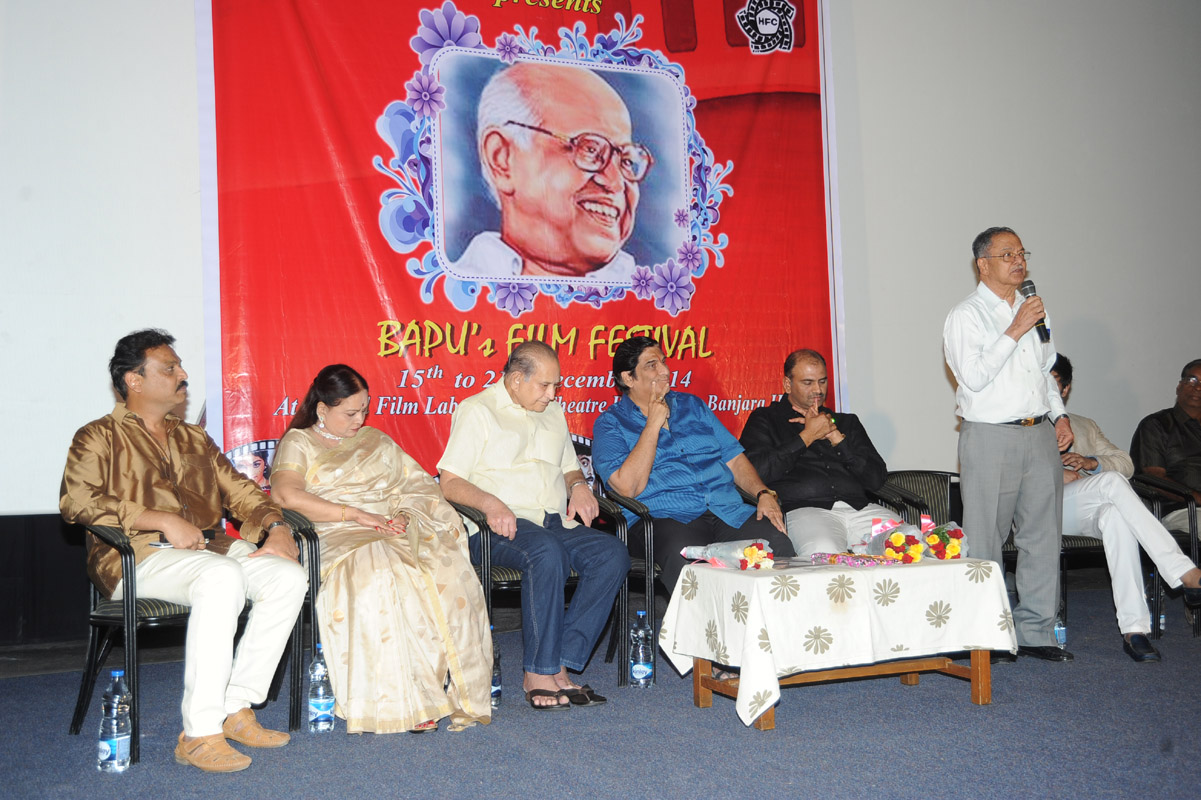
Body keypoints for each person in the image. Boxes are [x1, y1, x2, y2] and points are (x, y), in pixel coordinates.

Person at [59, 329, 308, 773]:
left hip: (207, 551)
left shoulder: (194, 440)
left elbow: (243, 493)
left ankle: (234, 708)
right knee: (221, 577)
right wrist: (159, 518)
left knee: (287, 575)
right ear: (133, 380)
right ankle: (199, 734)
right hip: (135, 560)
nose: (183, 375)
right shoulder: (97, 436)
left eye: (180, 366)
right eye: (169, 368)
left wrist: (276, 527)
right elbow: (77, 501)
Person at [270, 364, 492, 733]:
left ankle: (445, 691)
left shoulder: (377, 441)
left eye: (365, 410)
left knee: (440, 566)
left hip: (386, 527)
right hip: (334, 532)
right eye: (350, 413)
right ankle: (404, 701)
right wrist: (355, 514)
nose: (360, 420)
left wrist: (406, 514)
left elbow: (418, 487)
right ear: (322, 409)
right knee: (385, 572)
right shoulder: (300, 442)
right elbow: (285, 494)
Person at [437, 342, 629, 710]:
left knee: (612, 553)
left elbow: (569, 466)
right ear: (514, 379)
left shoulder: (552, 412)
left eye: (556, 385)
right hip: (496, 527)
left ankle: (561, 661)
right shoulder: (477, 411)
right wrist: (491, 504)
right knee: (545, 552)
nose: (552, 394)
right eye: (544, 386)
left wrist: (577, 487)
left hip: (553, 520)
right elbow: (450, 482)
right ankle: (537, 671)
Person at [943, 227, 1074, 662]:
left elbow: (1045, 369)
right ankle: (987, 631)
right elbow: (974, 376)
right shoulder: (966, 315)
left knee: (1042, 535)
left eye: (1021, 253)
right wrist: (1015, 330)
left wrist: (1059, 415)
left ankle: (1035, 630)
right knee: (986, 539)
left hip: (1038, 433)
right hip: (990, 435)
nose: (1019, 261)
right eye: (1007, 254)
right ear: (983, 264)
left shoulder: (1034, 308)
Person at [592, 336, 795, 594]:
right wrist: (653, 423)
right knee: (694, 569)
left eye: (663, 362)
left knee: (777, 547)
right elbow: (626, 487)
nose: (665, 371)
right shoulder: (611, 424)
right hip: (665, 518)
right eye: (652, 365)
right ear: (628, 378)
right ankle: (706, 633)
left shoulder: (693, 406)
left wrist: (762, 493)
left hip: (725, 510)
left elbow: (733, 458)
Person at [1052, 355, 1201, 662]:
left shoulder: (1084, 426)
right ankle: (1185, 572)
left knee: (1116, 514)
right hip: (1040, 507)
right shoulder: (1018, 425)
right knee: (1111, 484)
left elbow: (1126, 464)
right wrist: (1053, 471)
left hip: (1081, 508)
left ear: (1064, 390)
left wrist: (1092, 463)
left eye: (1052, 385)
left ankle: (1135, 630)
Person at [452, 62, 651, 282]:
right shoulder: (455, 290)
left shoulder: (653, 299)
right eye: (590, 149)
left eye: (625, 160)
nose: (616, 183)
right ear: (502, 159)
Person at [739, 348, 891, 559]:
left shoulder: (847, 422)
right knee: (824, 552)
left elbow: (876, 480)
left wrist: (837, 438)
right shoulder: (766, 419)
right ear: (787, 384)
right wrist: (807, 436)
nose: (818, 390)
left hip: (860, 509)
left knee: (909, 544)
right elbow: (757, 472)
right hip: (806, 511)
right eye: (808, 382)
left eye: (822, 381)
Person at [1131, 358, 1201, 532]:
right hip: (1181, 511)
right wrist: (1197, 498)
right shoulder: (1156, 425)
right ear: (1179, 386)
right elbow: (1154, 479)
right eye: (1192, 380)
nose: (1198, 387)